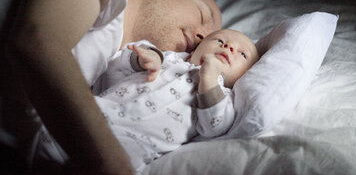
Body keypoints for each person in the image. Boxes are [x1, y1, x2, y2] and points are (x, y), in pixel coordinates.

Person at [0, 0, 221, 174]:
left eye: (210, 38)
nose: (204, 36)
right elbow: (36, 40)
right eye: (203, 14)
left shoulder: (111, 77)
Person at [35, 29, 259, 173]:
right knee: (46, 135)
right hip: (97, 112)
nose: (229, 48)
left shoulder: (224, 97)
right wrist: (144, 59)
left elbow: (214, 126)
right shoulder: (169, 58)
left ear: (244, 75)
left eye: (242, 54)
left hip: (132, 145)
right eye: (220, 40)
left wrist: (209, 78)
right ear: (196, 49)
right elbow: (116, 65)